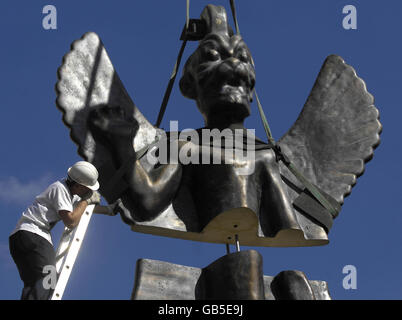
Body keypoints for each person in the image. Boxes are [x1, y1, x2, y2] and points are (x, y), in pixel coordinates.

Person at [9, 161, 120, 300]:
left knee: (33, 284)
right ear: (78, 185)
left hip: (20, 237)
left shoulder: (67, 192)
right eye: (87, 189)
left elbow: (78, 208)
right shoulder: (60, 189)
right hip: (34, 234)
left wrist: (108, 210)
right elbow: (71, 221)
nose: (88, 192)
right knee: (49, 277)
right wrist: (86, 201)